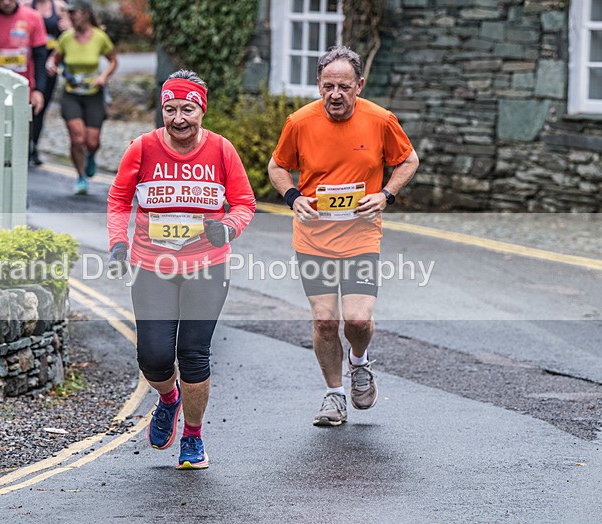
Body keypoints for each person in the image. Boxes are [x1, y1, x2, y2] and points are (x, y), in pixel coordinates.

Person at [107, 70, 256, 469]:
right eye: (170, 109)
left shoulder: (222, 151)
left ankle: (193, 437)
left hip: (206, 265)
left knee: (193, 354)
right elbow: (120, 199)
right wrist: (118, 242)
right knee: (153, 358)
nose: (178, 119)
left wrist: (227, 227)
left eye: (187, 109)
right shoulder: (142, 148)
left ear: (201, 110)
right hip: (151, 265)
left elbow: (244, 202)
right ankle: (168, 398)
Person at [267, 46, 419, 427]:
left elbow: (409, 160)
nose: (336, 94)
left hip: (360, 236)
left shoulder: (381, 120)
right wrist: (293, 197)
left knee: (357, 319)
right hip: (313, 239)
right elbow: (277, 166)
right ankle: (334, 396)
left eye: (345, 87)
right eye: (329, 86)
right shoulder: (299, 122)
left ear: (359, 86)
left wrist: (386, 194)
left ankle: (359, 361)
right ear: (319, 85)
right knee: (323, 321)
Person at [46, 0, 117, 194]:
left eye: (74, 13)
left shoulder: (99, 37)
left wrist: (103, 76)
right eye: (69, 13)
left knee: (92, 141)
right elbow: (54, 58)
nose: (70, 17)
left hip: (93, 95)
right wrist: (51, 64)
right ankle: (81, 176)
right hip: (71, 95)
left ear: (85, 13)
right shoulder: (66, 38)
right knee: (77, 138)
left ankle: (91, 156)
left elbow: (113, 61)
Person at [0, 0, 48, 119]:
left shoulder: (33, 18)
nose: (6, 2)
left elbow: (40, 57)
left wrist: (39, 90)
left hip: (24, 88)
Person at [27, 0, 72, 166]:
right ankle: (23, 147)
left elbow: (70, 33)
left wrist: (55, 57)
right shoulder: (26, 5)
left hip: (49, 66)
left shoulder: (59, 7)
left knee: (40, 108)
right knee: (26, 108)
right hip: (30, 62)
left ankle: (34, 147)